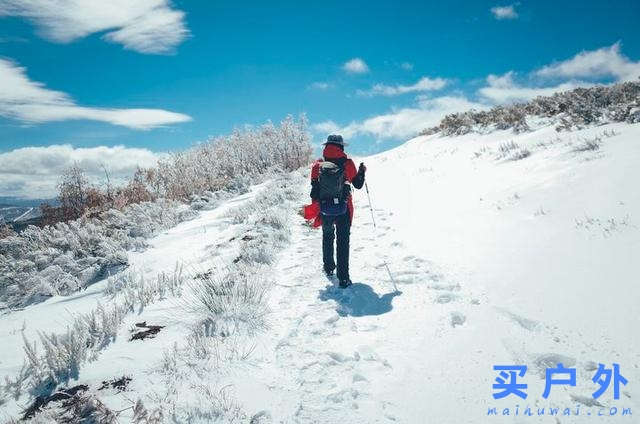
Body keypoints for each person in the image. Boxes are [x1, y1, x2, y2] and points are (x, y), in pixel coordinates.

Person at [303, 134, 366, 288]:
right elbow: (357, 185)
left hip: (325, 208)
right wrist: (362, 171)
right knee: (343, 241)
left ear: (327, 146)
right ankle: (343, 278)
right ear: (341, 147)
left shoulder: (318, 166)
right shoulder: (348, 163)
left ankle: (329, 267)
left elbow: (314, 189)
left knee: (327, 236)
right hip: (344, 208)